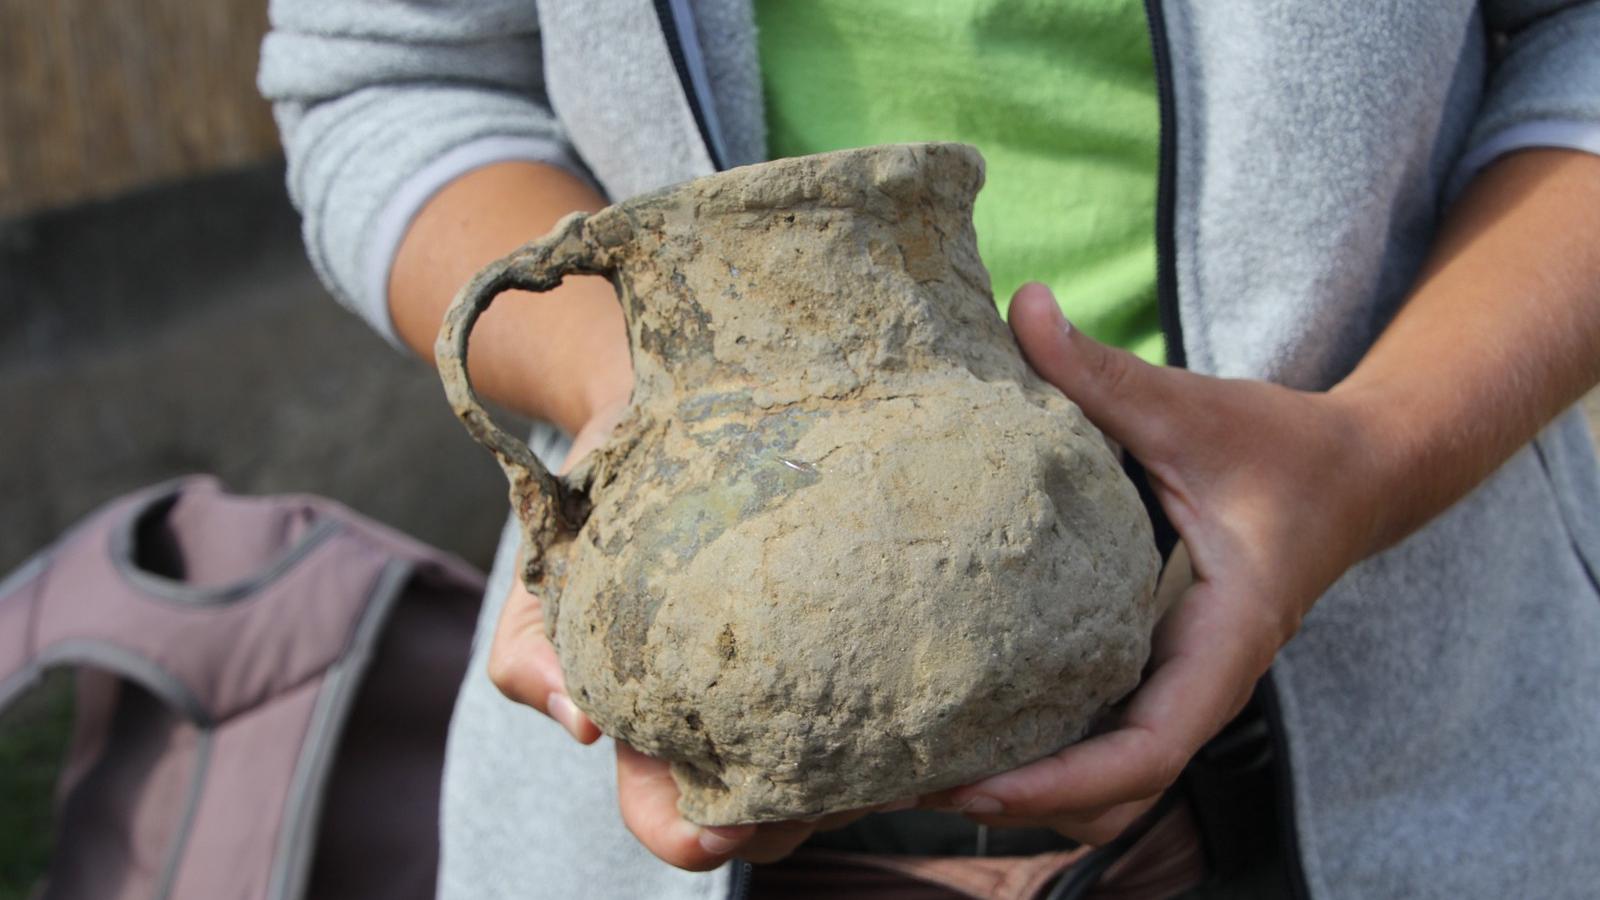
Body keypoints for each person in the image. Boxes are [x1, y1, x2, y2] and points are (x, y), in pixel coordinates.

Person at [259, 2, 1600, 898]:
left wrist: (1371, 455)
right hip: (650, 826)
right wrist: (637, 394)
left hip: (1413, 738)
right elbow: (391, 75)